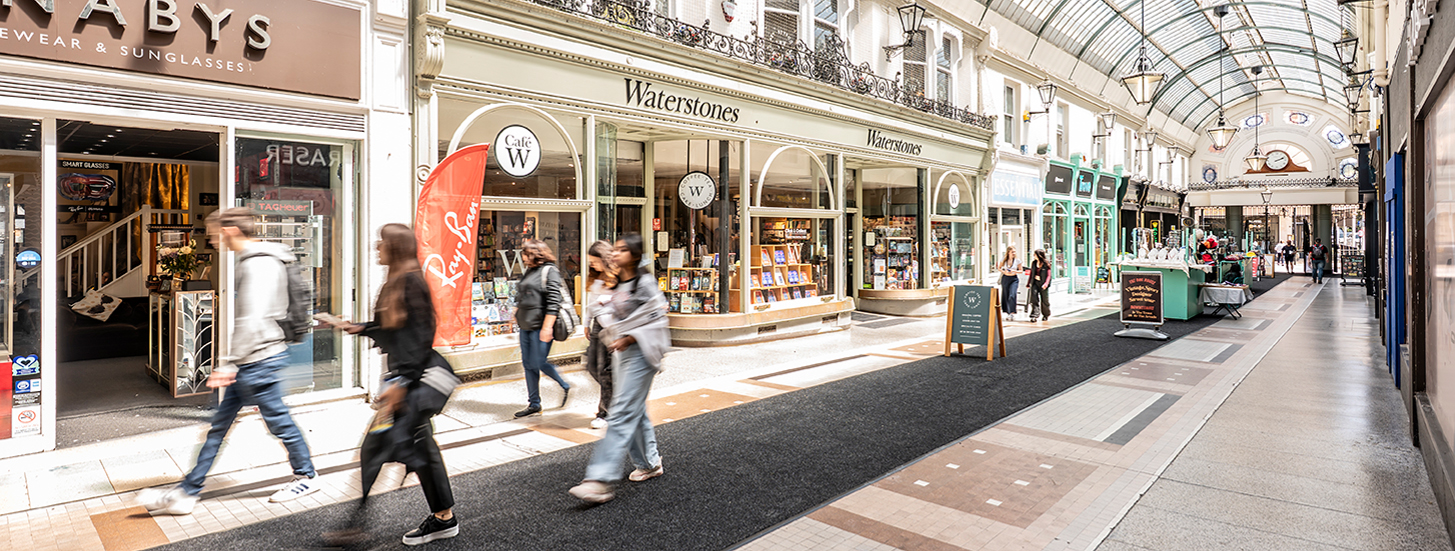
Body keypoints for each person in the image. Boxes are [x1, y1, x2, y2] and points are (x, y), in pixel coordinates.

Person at [139, 208, 318, 515]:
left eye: (213, 233)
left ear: (230, 230)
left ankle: (307, 476)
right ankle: (188, 492)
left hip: (260, 360)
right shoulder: (255, 260)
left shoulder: (258, 264)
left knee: (278, 424)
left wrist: (229, 364)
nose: (210, 239)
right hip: (251, 360)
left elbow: (252, 320)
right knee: (219, 428)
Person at [321, 223, 458, 546]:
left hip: (415, 384)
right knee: (414, 449)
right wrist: (355, 327)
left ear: (395, 247)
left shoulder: (411, 282)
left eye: (381, 242)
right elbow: (394, 329)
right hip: (405, 383)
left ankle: (356, 527)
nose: (377, 247)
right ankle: (443, 518)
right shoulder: (398, 281)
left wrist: (403, 382)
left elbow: (421, 337)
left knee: (377, 448)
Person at [569, 234, 671, 504]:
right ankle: (649, 463)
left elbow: (656, 316)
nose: (616, 253)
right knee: (633, 409)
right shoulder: (617, 282)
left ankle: (599, 480)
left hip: (642, 353)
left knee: (622, 410)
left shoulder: (644, 282)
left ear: (635, 256)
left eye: (623, 250)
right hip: (621, 354)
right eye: (615, 249)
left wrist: (628, 337)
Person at [513, 239, 573, 418]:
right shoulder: (530, 270)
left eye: (525, 254)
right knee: (528, 364)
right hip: (525, 325)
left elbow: (554, 301)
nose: (523, 258)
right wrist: (516, 312)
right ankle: (534, 403)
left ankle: (564, 384)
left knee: (538, 362)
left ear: (534, 254)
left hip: (540, 325)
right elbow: (522, 294)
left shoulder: (550, 271)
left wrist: (547, 327)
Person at [584, 241, 618, 430]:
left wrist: (607, 300)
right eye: (591, 262)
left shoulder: (619, 276)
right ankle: (616, 395)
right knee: (591, 366)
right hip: (598, 325)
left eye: (595, 261)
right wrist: (586, 323)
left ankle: (605, 413)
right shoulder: (596, 277)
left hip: (613, 328)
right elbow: (590, 302)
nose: (593, 265)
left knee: (606, 371)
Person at [996, 247, 1023, 321]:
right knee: (1006, 295)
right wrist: (1004, 271)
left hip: (1013, 279)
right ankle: (1007, 311)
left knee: (1012, 295)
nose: (1014, 253)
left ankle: (1012, 312)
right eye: (1012, 252)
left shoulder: (1017, 260)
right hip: (1005, 278)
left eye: (1014, 252)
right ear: (1008, 252)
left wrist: (1014, 271)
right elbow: (999, 268)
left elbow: (1021, 271)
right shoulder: (1004, 260)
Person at [1026, 249, 1052, 322]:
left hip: (1043, 284)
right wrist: (1028, 283)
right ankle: (1034, 315)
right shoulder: (1034, 263)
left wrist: (1046, 284)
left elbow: (1049, 275)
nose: (1033, 256)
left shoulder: (1046, 263)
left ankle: (1046, 314)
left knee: (1044, 300)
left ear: (1039, 255)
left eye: (1035, 254)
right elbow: (1032, 273)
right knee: (1034, 298)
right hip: (1035, 283)